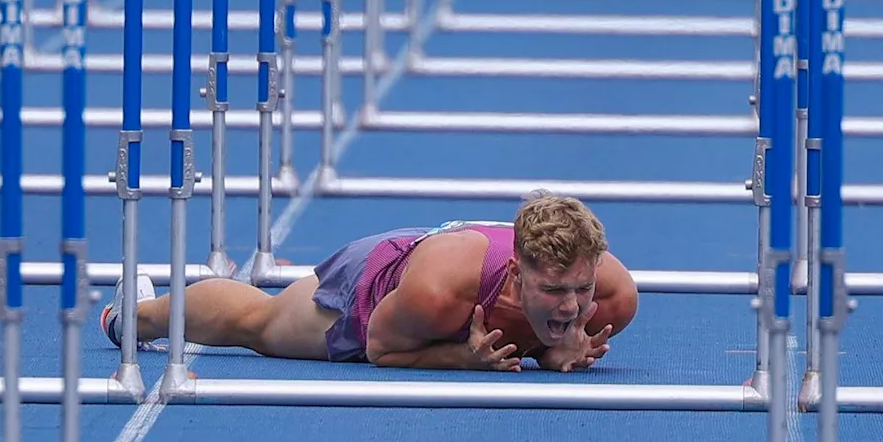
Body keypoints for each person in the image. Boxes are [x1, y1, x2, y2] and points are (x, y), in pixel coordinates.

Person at [101, 193, 639, 372]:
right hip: (390, 279)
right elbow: (382, 349)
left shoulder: (612, 298)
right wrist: (460, 359)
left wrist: (545, 353)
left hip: (453, 259)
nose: (572, 308)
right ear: (520, 275)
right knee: (261, 326)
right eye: (554, 292)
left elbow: (561, 311)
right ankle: (132, 315)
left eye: (579, 289)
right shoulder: (438, 293)